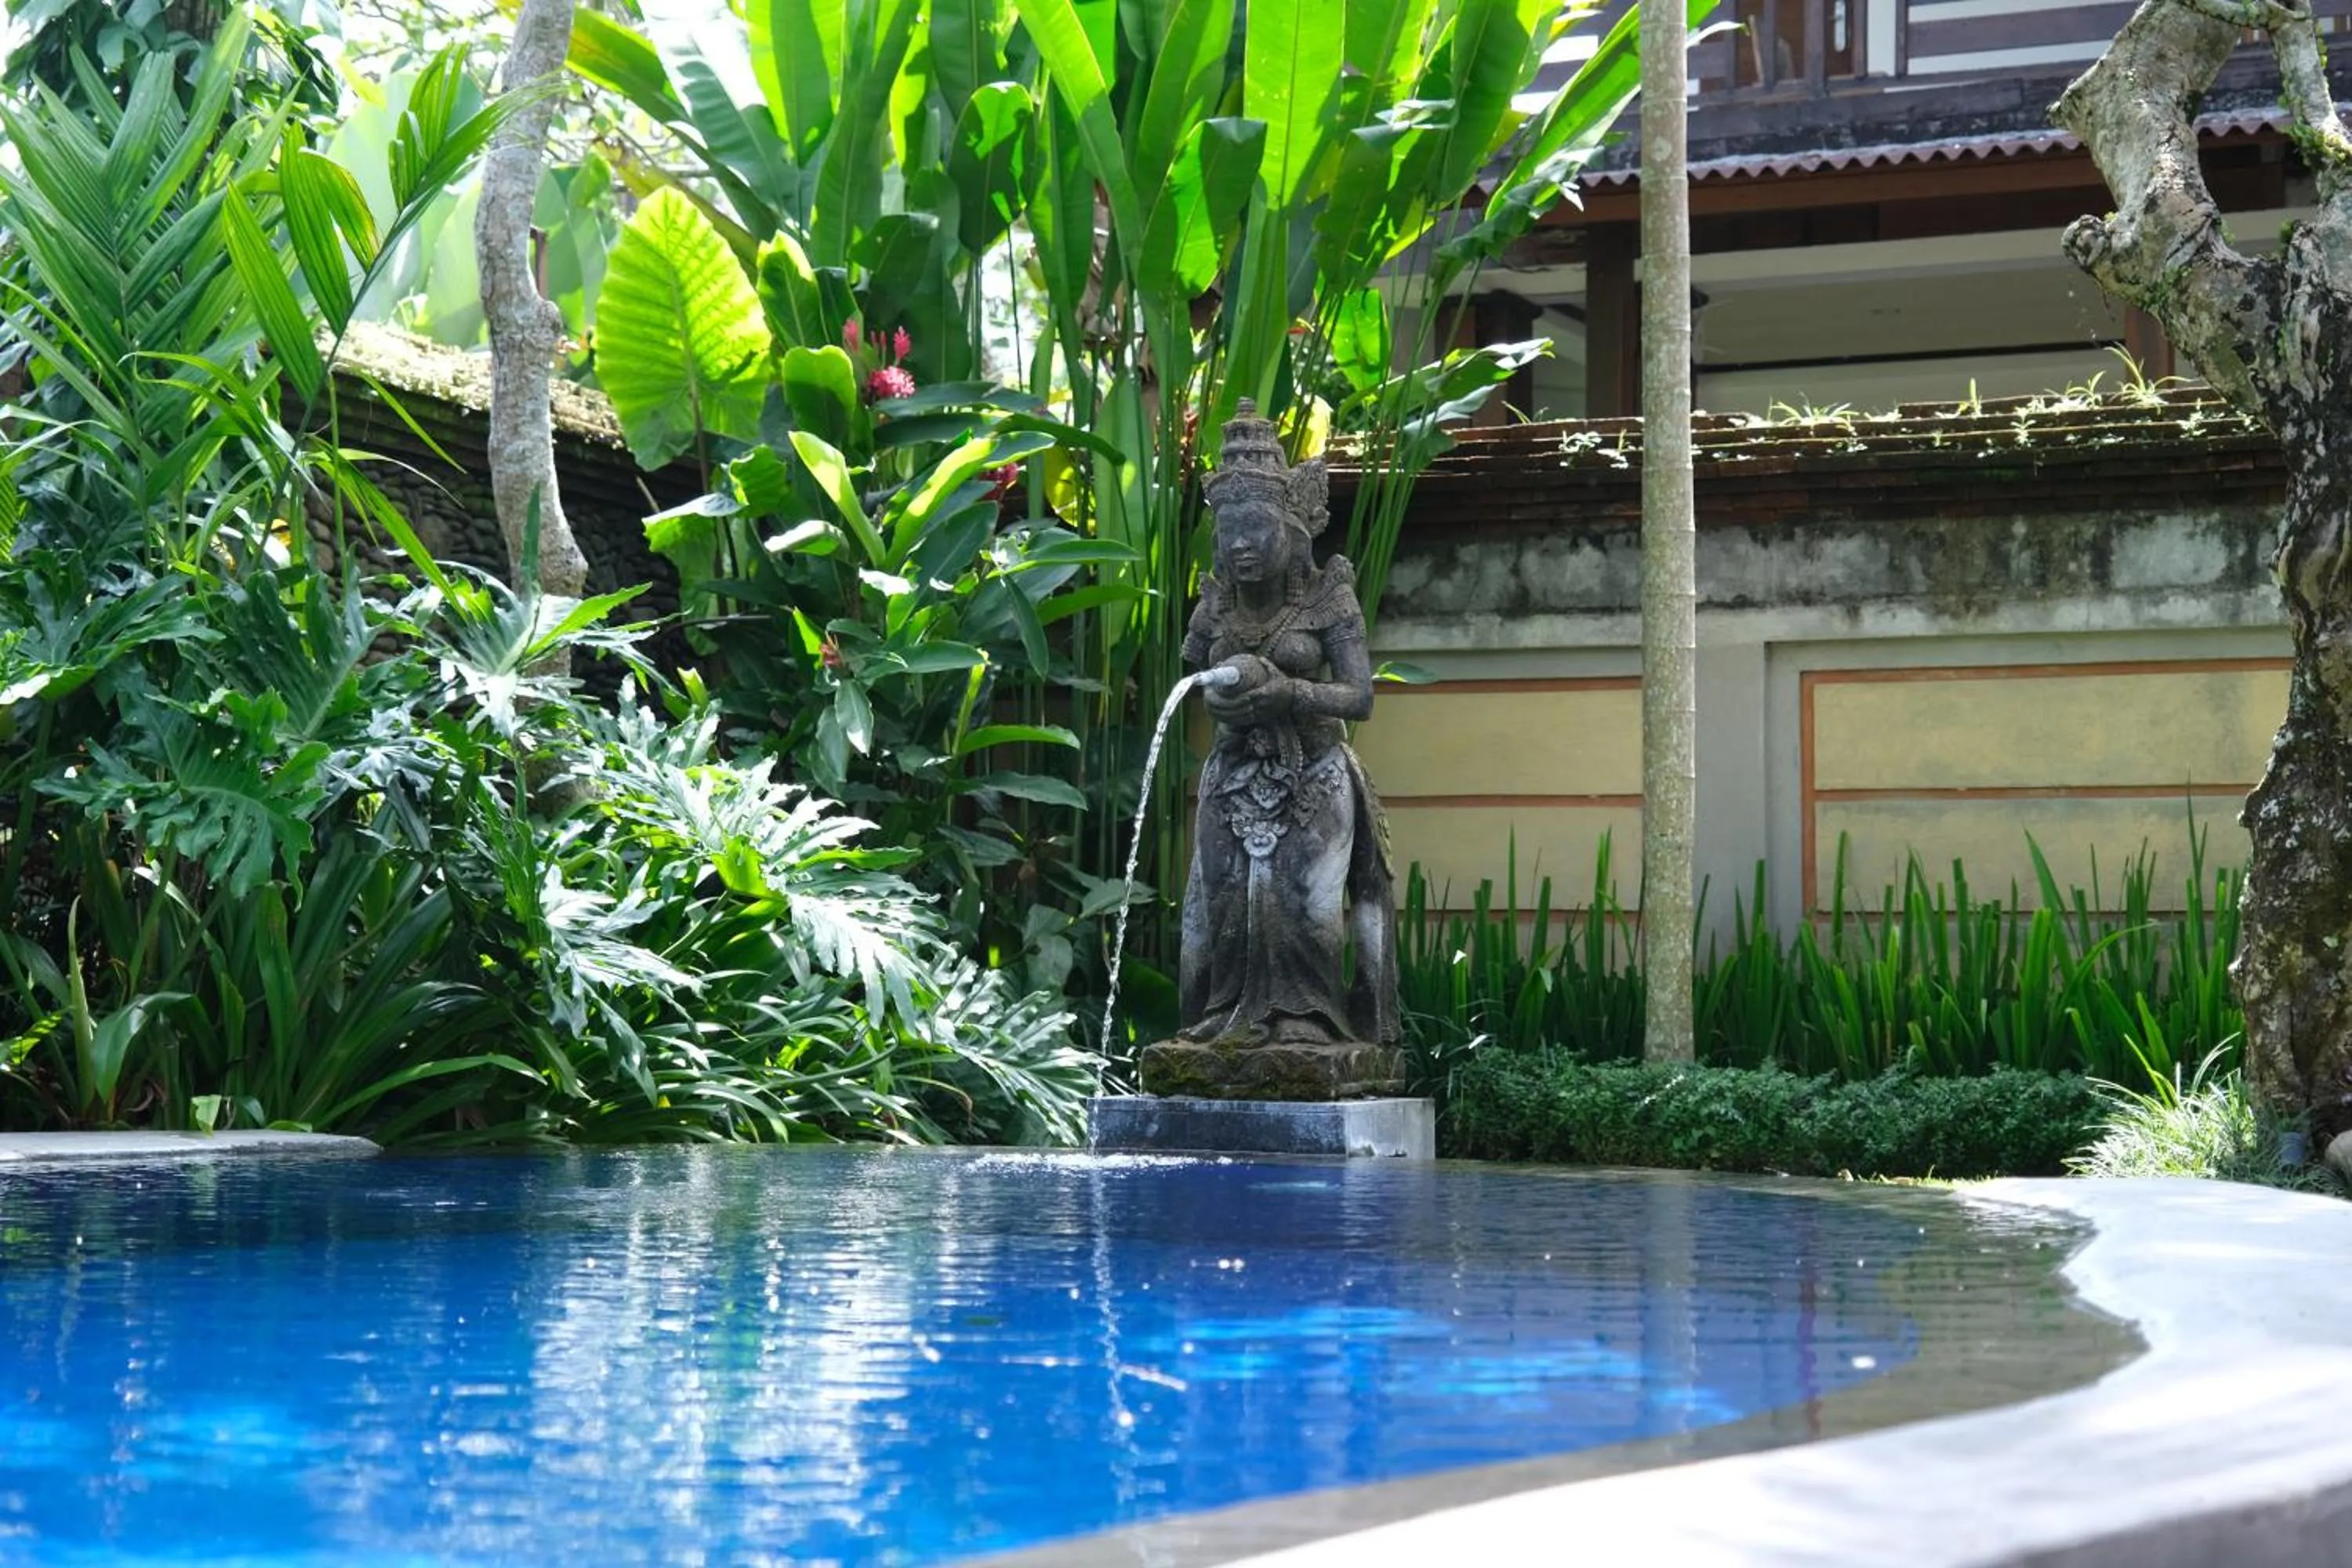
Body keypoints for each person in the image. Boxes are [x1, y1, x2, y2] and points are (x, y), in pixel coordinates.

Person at [1178, 401, 1399, 1049]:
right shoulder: (1213, 605)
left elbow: (1359, 697)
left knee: (1305, 904)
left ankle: (1309, 1017)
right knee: (1223, 899)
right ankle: (1223, 1015)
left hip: (1316, 773)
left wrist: (1290, 693)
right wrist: (1219, 705)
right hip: (1232, 774)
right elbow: (1190, 682)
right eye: (1230, 531)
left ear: (1291, 532)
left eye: (1256, 528)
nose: (1241, 545)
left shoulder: (1328, 595)